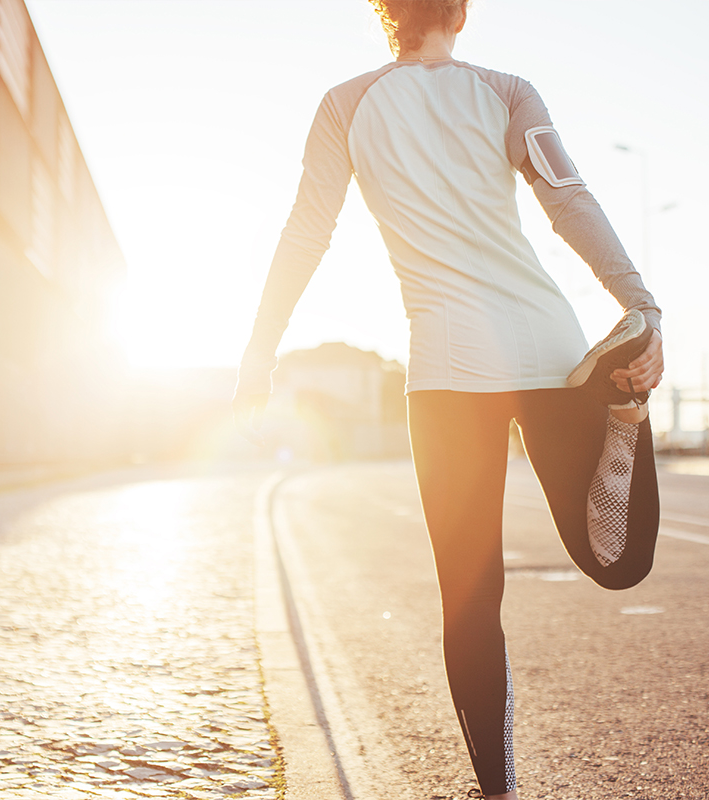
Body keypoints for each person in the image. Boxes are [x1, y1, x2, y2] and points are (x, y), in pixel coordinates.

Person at [232, 2, 665, 798]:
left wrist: (259, 354)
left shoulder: (345, 104)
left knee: (469, 598)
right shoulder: (507, 92)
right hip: (548, 348)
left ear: (384, 13)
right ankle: (624, 410)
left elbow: (305, 232)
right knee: (617, 559)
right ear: (460, 12)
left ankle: (495, 789)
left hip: (447, 370)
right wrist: (643, 304)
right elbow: (567, 197)